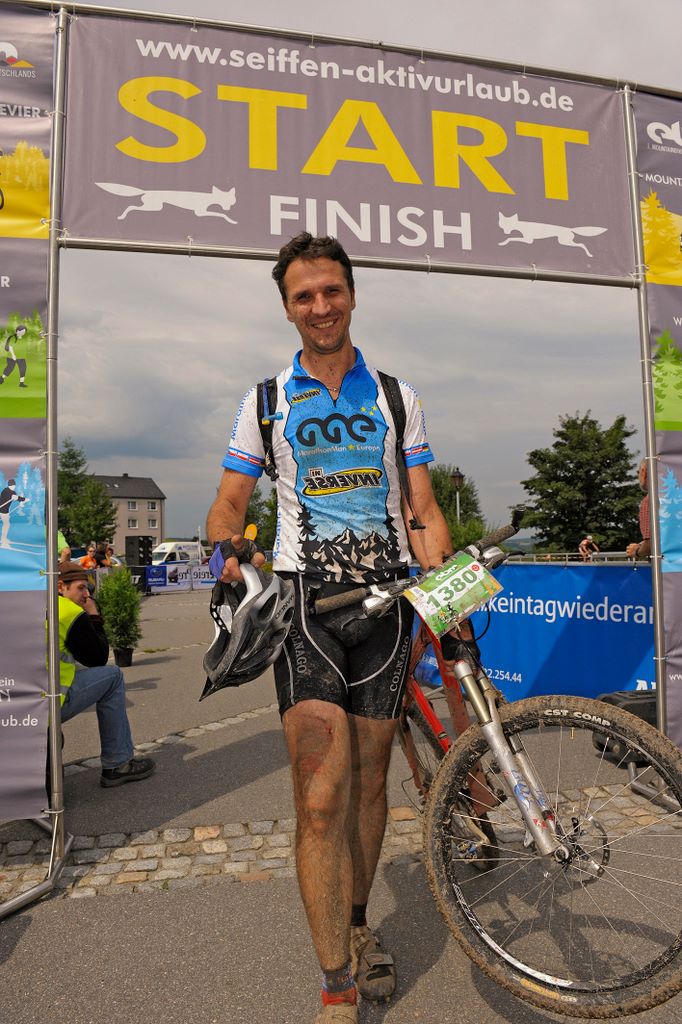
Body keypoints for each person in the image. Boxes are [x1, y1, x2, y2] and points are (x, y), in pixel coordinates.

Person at [206, 233, 455, 1023]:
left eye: (331, 291)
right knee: (321, 799)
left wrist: (449, 601)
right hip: (306, 609)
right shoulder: (266, 400)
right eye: (303, 296)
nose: (320, 306)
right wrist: (226, 547)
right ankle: (336, 985)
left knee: (372, 785)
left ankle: (356, 923)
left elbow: (421, 509)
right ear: (287, 308)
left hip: (386, 607)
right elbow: (228, 504)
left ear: (352, 296)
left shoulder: (394, 396)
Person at [55, 561, 155, 787]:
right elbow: (98, 657)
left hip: (20, 702)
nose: (86, 594)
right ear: (60, 586)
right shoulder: (69, 612)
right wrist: (93, 615)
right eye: (81, 588)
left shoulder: (33, 604)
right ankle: (118, 764)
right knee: (113, 676)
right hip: (52, 700)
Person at [627, 458, 651, 560]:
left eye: (638, 472)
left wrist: (636, 552)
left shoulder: (650, 502)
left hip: (670, 567)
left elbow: (652, 544)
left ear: (644, 472)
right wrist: (642, 544)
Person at [0, 477, 26, 548]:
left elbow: (16, 498)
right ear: (10, 485)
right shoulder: (7, 491)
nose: (14, 487)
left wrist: (21, 501)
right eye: (12, 486)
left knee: (6, 524)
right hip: (2, 510)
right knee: (6, 524)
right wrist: (24, 499)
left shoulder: (9, 491)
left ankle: (3, 538)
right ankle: (3, 541)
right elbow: (16, 497)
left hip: (5, 511)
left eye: (14, 486)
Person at [0, 324, 28, 388]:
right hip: (11, 356)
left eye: (24, 332)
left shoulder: (23, 339)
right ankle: (2, 378)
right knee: (10, 368)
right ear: (17, 331)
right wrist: (13, 355)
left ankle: (21, 383)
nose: (23, 333)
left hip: (21, 357)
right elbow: (10, 347)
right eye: (21, 331)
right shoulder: (13, 337)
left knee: (23, 368)